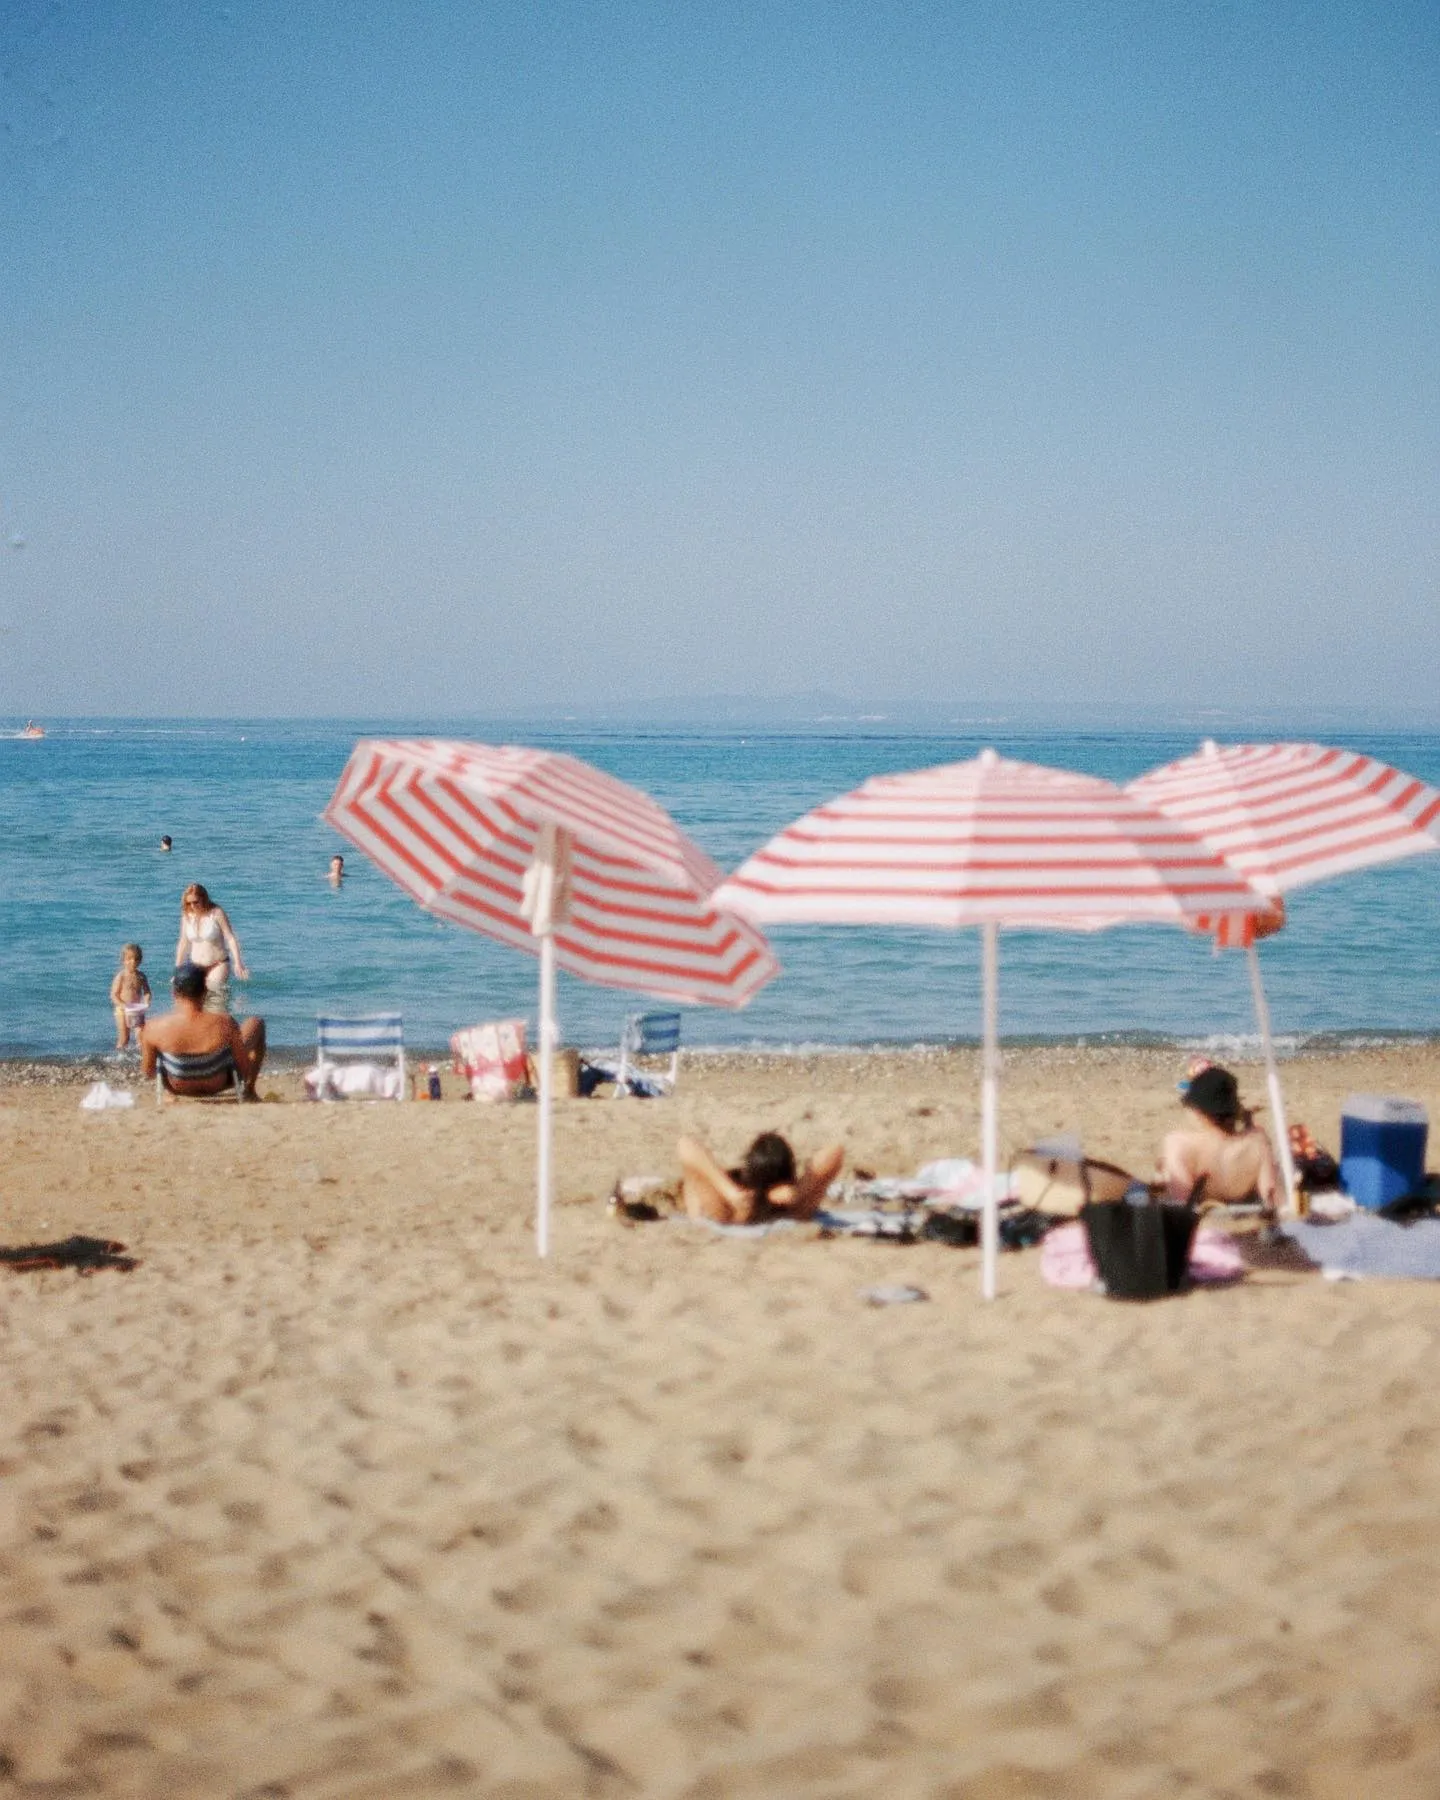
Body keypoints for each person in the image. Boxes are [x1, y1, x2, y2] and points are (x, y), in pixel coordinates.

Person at [1161, 1062, 1279, 1211]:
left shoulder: (1179, 1144)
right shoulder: (1257, 1141)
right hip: (1245, 1226)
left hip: (1203, 1228)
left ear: (1198, 1111)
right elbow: (1271, 1196)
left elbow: (1182, 1205)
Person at [142, 964, 266, 1099]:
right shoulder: (225, 1023)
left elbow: (148, 1072)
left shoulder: (153, 1027)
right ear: (205, 991)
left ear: (174, 993)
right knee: (256, 1023)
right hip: (217, 1084)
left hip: (177, 1086)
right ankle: (249, 1090)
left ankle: (169, 1095)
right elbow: (244, 1069)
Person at [678, 1131, 844, 1224]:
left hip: (728, 1205)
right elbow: (684, 1144)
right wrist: (729, 1191)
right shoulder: (732, 1205)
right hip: (723, 1203)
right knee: (700, 1176)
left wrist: (798, 1192)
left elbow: (836, 1150)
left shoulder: (794, 1205)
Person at [174, 883, 248, 1013]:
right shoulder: (187, 916)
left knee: (215, 1002)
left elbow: (230, 937)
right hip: (195, 966)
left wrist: (238, 962)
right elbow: (183, 942)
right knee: (193, 1006)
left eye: (195, 902)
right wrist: (178, 969)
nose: (192, 906)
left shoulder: (216, 913)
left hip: (217, 964)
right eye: (189, 903)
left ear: (203, 898)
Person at [108, 943, 152, 1051]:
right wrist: (123, 1005)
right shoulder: (121, 976)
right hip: (122, 1010)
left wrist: (146, 1001)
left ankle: (140, 1056)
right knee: (124, 1037)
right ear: (123, 960)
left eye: (136, 959)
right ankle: (119, 1056)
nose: (133, 962)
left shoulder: (141, 976)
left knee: (141, 1036)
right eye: (129, 959)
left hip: (137, 1009)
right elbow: (114, 995)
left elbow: (147, 991)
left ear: (140, 960)